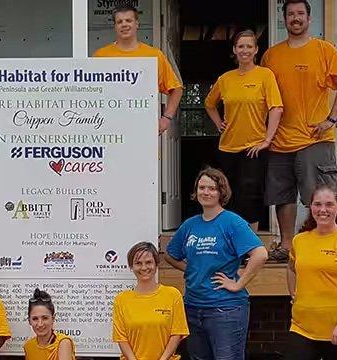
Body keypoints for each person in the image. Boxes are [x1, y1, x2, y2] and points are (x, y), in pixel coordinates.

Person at [260, 0, 337, 260]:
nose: (295, 18)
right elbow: (262, 94)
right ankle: (288, 246)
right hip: (280, 141)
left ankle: (326, 245)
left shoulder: (323, 50)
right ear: (284, 19)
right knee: (283, 197)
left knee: (321, 197)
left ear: (309, 19)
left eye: (300, 13)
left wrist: (331, 119)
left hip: (315, 139)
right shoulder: (271, 55)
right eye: (290, 14)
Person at [164, 167, 268, 360]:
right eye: (201, 187)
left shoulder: (232, 222)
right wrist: (191, 269)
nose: (206, 192)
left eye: (211, 188)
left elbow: (260, 254)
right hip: (193, 307)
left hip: (225, 309)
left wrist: (238, 283)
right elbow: (170, 255)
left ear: (221, 192)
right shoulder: (190, 225)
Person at [206, 29, 284, 231]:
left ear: (256, 50)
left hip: (253, 147)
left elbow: (276, 107)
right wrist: (218, 123)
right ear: (234, 49)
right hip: (228, 147)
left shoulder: (265, 75)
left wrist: (267, 140)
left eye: (249, 46)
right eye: (241, 46)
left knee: (250, 195)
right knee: (227, 195)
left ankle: (250, 243)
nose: (245, 50)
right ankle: (229, 240)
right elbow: (209, 104)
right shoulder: (225, 79)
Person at [286, 185, 337, 360]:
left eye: (329, 204)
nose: (322, 210)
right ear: (311, 207)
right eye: (317, 204)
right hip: (302, 327)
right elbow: (291, 268)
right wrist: (294, 295)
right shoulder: (300, 240)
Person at [93, 4, 182, 135]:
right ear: (115, 26)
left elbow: (177, 89)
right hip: (107, 128)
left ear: (137, 24)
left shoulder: (154, 55)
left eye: (128, 20)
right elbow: (90, 91)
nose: (124, 24)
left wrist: (166, 118)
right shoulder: (100, 56)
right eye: (119, 22)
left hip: (143, 128)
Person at [113, 242, 188, 360]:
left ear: (156, 264)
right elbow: (121, 338)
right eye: (138, 263)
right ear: (131, 267)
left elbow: (177, 334)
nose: (144, 268)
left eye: (148, 262)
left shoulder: (173, 295)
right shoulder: (121, 300)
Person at [24, 288, 75, 360]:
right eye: (35, 319)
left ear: (53, 319)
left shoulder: (63, 342)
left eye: (45, 318)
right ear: (29, 321)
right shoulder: (28, 346)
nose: (40, 324)